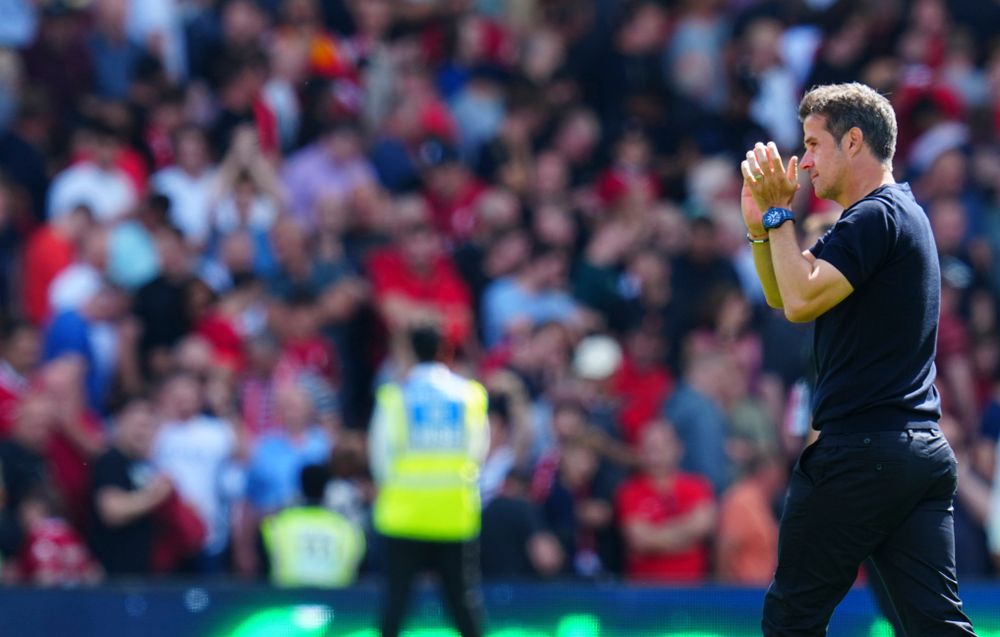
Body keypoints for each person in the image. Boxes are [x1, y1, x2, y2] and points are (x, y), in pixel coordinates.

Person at [740, 82, 976, 635]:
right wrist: (760, 229)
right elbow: (786, 294)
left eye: (813, 144)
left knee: (791, 620)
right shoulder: (889, 216)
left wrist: (779, 216)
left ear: (852, 141)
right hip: (916, 454)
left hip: (858, 454)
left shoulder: (873, 218)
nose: (802, 163)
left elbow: (797, 300)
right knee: (935, 626)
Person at [368, 324, 489, 637]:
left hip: (403, 517)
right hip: (454, 516)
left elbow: (380, 457)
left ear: (409, 353)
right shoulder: (469, 395)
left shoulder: (394, 398)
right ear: (445, 352)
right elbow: (479, 451)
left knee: (396, 603)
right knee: (463, 603)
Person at [260, 463, 365, 588]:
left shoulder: (277, 525)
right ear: (327, 490)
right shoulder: (347, 529)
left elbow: (262, 565)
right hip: (334, 602)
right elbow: (356, 568)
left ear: (300, 488)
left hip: (289, 599)